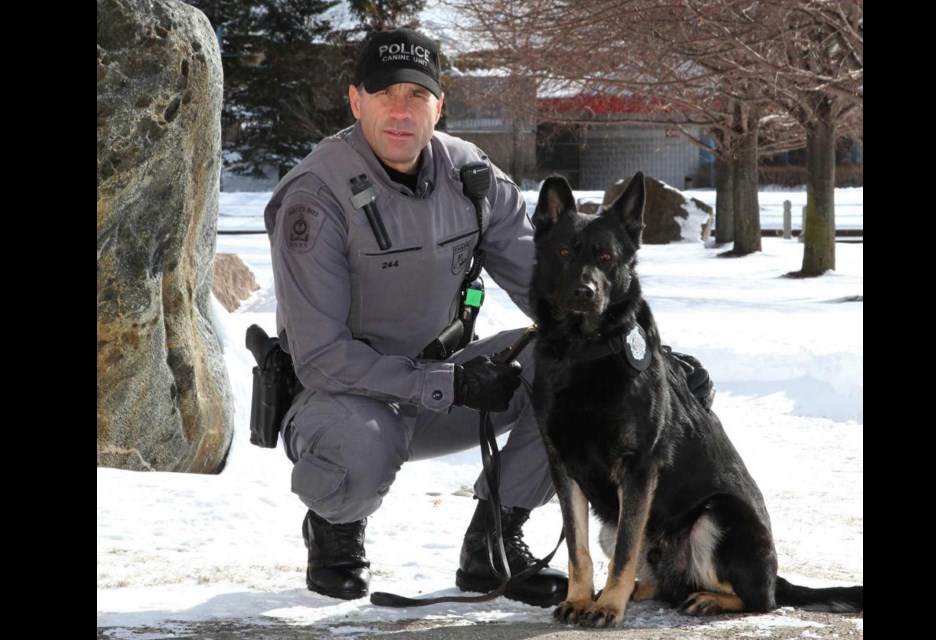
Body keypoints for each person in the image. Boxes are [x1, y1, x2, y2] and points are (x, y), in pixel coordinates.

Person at [263, 28, 715, 607]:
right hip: (342, 398)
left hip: (445, 378)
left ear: (439, 105)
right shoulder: (315, 197)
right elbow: (321, 357)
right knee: (360, 443)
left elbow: (554, 286)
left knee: (562, 368)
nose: (401, 110)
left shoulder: (468, 177)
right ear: (355, 100)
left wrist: (648, 362)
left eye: (416, 95)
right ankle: (335, 531)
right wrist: (445, 383)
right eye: (384, 94)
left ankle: (494, 538)